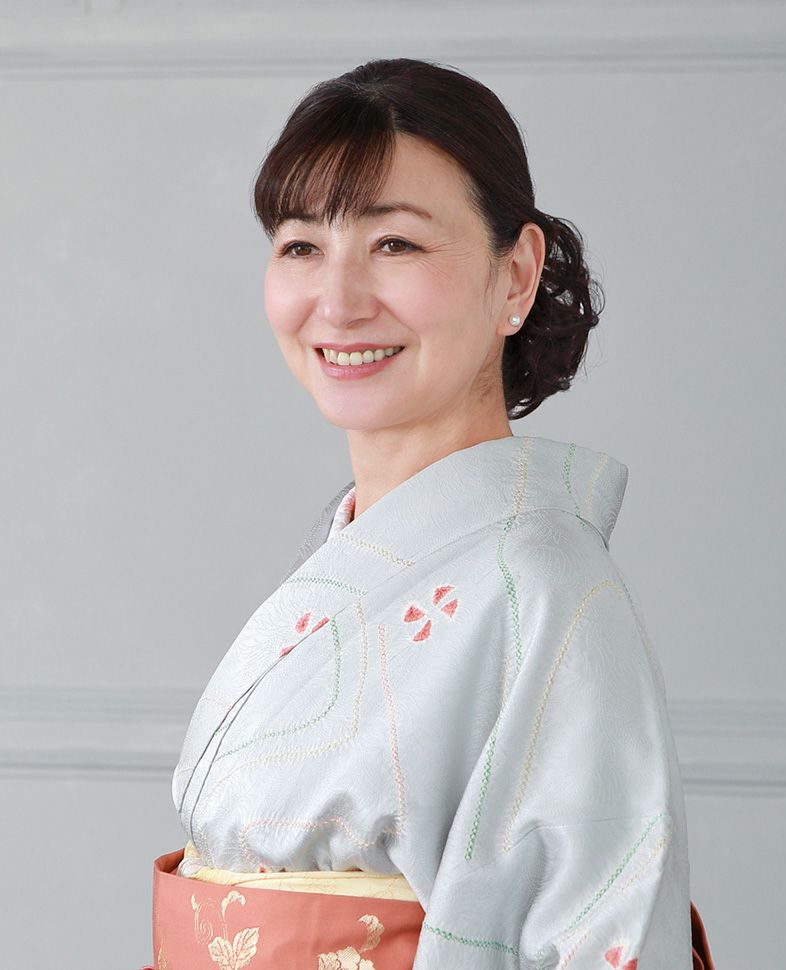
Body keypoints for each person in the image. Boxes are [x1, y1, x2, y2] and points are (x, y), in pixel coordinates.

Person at [143, 57, 716, 970]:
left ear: (516, 275)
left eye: (395, 244)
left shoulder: (544, 587)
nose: (337, 303)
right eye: (301, 247)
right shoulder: (352, 556)